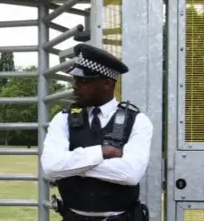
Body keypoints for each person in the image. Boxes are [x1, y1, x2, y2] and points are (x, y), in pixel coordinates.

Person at [41, 43, 153, 221]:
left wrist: (73, 167)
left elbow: (130, 173)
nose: (75, 86)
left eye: (83, 81)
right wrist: (101, 152)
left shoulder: (138, 121)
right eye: (75, 80)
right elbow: (50, 166)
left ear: (107, 83)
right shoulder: (63, 119)